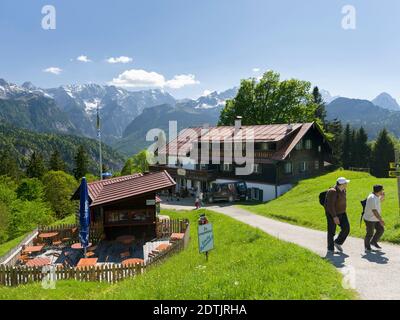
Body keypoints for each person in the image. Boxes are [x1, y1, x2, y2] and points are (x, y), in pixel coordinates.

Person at [325, 177, 351, 253]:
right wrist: (334, 217)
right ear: (342, 184)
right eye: (346, 183)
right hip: (332, 214)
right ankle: (330, 249)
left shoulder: (343, 190)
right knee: (331, 231)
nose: (347, 184)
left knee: (346, 228)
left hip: (342, 213)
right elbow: (330, 205)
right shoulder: (333, 192)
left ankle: (338, 242)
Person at [363, 185, 385, 252]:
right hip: (369, 219)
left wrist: (383, 197)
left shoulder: (376, 196)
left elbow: (379, 201)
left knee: (381, 229)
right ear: (379, 191)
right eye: (382, 190)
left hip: (375, 218)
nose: (382, 191)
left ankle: (373, 242)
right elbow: (374, 211)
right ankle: (367, 247)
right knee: (370, 233)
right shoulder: (372, 198)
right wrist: (381, 220)